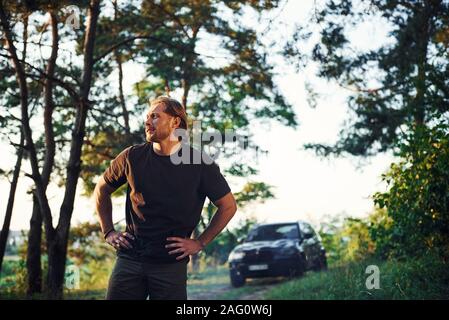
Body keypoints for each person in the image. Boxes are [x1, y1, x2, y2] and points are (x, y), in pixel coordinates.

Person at [94, 96, 237, 300]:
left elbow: (228, 206)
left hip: (170, 265)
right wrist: (108, 231)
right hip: (130, 260)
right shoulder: (131, 157)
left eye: (154, 116)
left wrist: (200, 242)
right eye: (147, 117)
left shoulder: (200, 164)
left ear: (175, 122)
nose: (147, 122)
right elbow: (101, 190)